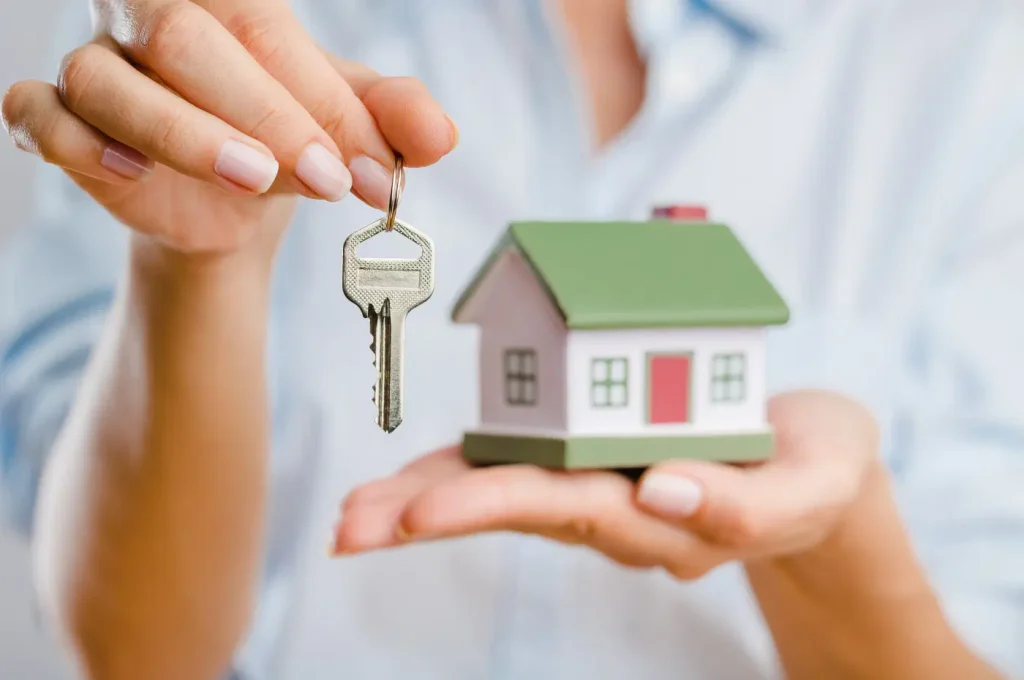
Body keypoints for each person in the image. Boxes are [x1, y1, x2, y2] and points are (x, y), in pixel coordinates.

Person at [1, 0, 1022, 678]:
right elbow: (133, 654)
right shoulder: (218, 25)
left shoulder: (968, 61)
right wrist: (198, 266)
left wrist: (831, 546)